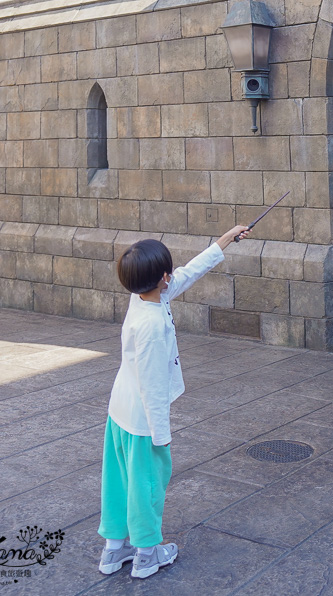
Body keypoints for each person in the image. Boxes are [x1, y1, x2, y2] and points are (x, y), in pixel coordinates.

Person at [97, 224, 250, 579]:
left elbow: (187, 274)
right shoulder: (151, 325)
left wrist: (223, 242)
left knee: (119, 482)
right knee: (147, 485)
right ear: (162, 278)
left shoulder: (143, 296)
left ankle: (113, 550)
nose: (173, 277)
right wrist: (161, 435)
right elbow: (152, 388)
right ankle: (148, 555)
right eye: (169, 273)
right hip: (141, 420)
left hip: (119, 411)